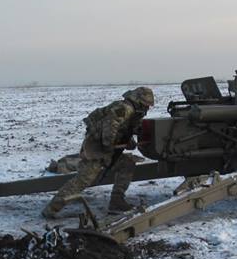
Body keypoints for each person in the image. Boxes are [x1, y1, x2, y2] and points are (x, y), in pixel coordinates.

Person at [42, 86, 154, 218]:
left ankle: (116, 202)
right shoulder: (124, 109)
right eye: (146, 104)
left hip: (108, 146)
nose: (147, 108)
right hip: (97, 147)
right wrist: (108, 151)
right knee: (83, 180)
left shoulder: (132, 111)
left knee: (127, 164)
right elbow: (109, 130)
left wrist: (128, 141)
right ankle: (51, 209)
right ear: (139, 101)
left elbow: (124, 129)